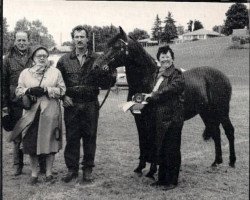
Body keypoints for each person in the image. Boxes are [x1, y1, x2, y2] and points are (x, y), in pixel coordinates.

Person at [57, 25, 116, 183]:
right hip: (72, 105)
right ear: (73, 39)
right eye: (76, 37)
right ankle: (72, 169)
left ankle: (88, 169)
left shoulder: (98, 58)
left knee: (90, 137)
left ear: (87, 39)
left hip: (90, 103)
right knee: (72, 137)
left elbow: (105, 83)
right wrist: (63, 97)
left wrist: (109, 72)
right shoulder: (63, 60)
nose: (79, 39)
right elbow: (57, 82)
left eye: (82, 36)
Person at [11, 45, 66, 185]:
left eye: (44, 56)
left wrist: (47, 90)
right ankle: (34, 174)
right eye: (38, 56)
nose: (42, 58)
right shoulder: (25, 73)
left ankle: (48, 173)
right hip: (31, 113)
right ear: (33, 58)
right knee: (31, 144)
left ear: (47, 57)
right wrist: (29, 90)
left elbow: (62, 90)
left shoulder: (55, 72)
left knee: (51, 143)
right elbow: (18, 91)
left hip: (50, 112)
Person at [2, 31, 46, 176]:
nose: (21, 43)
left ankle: (42, 165)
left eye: (24, 40)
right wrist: (4, 106)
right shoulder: (7, 60)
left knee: (37, 133)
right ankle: (17, 165)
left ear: (28, 41)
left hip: (34, 102)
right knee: (17, 135)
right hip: (15, 103)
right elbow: (3, 84)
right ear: (14, 41)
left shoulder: (34, 57)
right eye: (19, 40)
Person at [144, 46, 185, 190]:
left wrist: (154, 96)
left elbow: (172, 89)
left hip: (172, 118)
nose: (165, 59)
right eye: (162, 57)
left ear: (172, 58)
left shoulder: (177, 73)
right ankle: (162, 179)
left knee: (171, 150)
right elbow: (153, 91)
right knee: (161, 149)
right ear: (158, 59)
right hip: (159, 118)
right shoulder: (158, 75)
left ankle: (172, 181)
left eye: (167, 56)